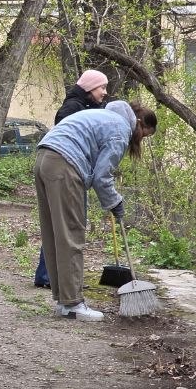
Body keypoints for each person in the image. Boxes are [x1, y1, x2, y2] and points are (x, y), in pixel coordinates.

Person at [34, 100, 157, 321]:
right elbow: (102, 177)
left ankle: (64, 301)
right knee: (71, 234)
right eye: (144, 135)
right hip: (64, 163)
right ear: (139, 124)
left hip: (44, 157)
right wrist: (115, 202)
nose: (140, 140)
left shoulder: (102, 116)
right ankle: (72, 304)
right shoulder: (121, 129)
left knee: (55, 233)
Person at [34, 69, 111, 288]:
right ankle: (48, 276)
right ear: (89, 87)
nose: (105, 92)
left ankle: (49, 276)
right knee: (63, 228)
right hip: (65, 170)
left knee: (62, 227)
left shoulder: (88, 108)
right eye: (101, 87)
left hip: (74, 170)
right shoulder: (71, 109)